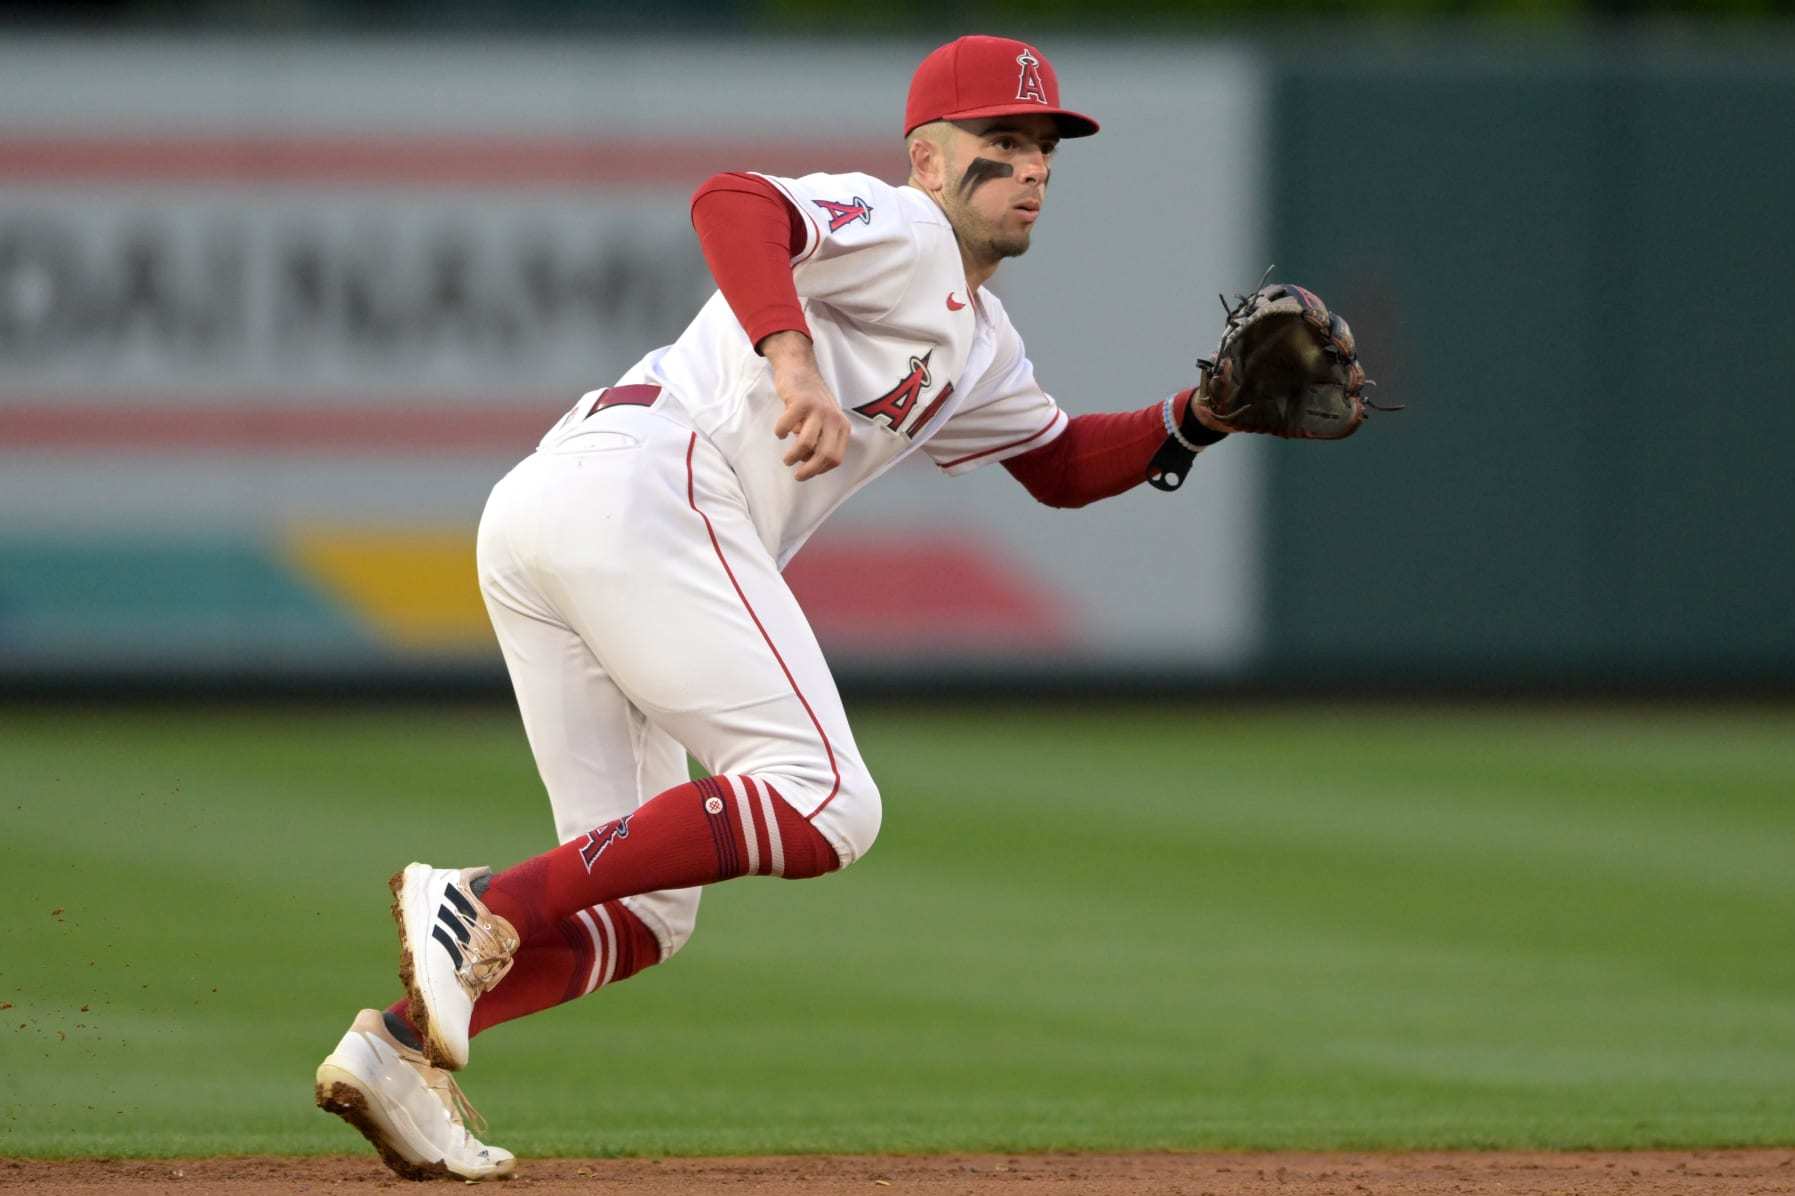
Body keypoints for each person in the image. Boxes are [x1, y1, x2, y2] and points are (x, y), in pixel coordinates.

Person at [314, 34, 1243, 1181]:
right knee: (829, 801)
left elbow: (1054, 463)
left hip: (553, 516)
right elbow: (733, 200)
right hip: (647, 484)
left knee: (651, 911)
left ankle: (401, 1049)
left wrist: (1201, 413)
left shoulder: (982, 340)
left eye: (1044, 146)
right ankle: (482, 901)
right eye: (1000, 143)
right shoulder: (901, 225)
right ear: (930, 156)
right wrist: (792, 358)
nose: (1031, 168)